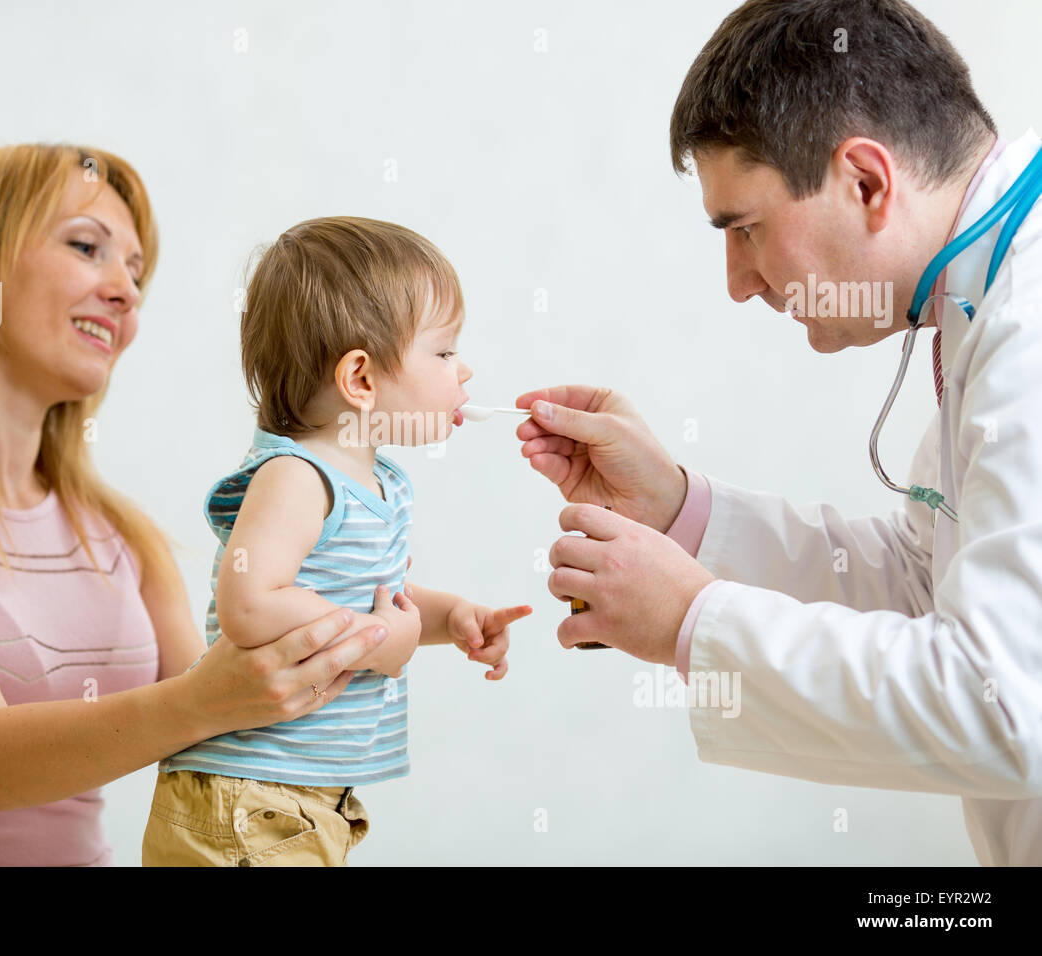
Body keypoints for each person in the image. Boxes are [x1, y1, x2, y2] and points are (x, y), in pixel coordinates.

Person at [520, 0, 1042, 865]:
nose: (739, 282)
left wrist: (691, 620)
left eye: (747, 229)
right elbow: (930, 584)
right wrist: (681, 513)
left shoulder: (1027, 328)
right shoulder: (983, 294)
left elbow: (1002, 703)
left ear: (866, 182)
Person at [0, 144, 388, 866]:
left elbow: (228, 730)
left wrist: (360, 596)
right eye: (87, 247)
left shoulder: (120, 535)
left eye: (135, 271)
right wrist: (209, 700)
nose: (126, 292)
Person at [142, 216, 532, 866]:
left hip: (301, 798)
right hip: (251, 797)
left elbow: (377, 599)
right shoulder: (297, 477)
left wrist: (451, 618)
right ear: (361, 379)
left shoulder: (377, 482)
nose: (465, 371)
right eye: (443, 352)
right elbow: (250, 605)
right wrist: (378, 640)